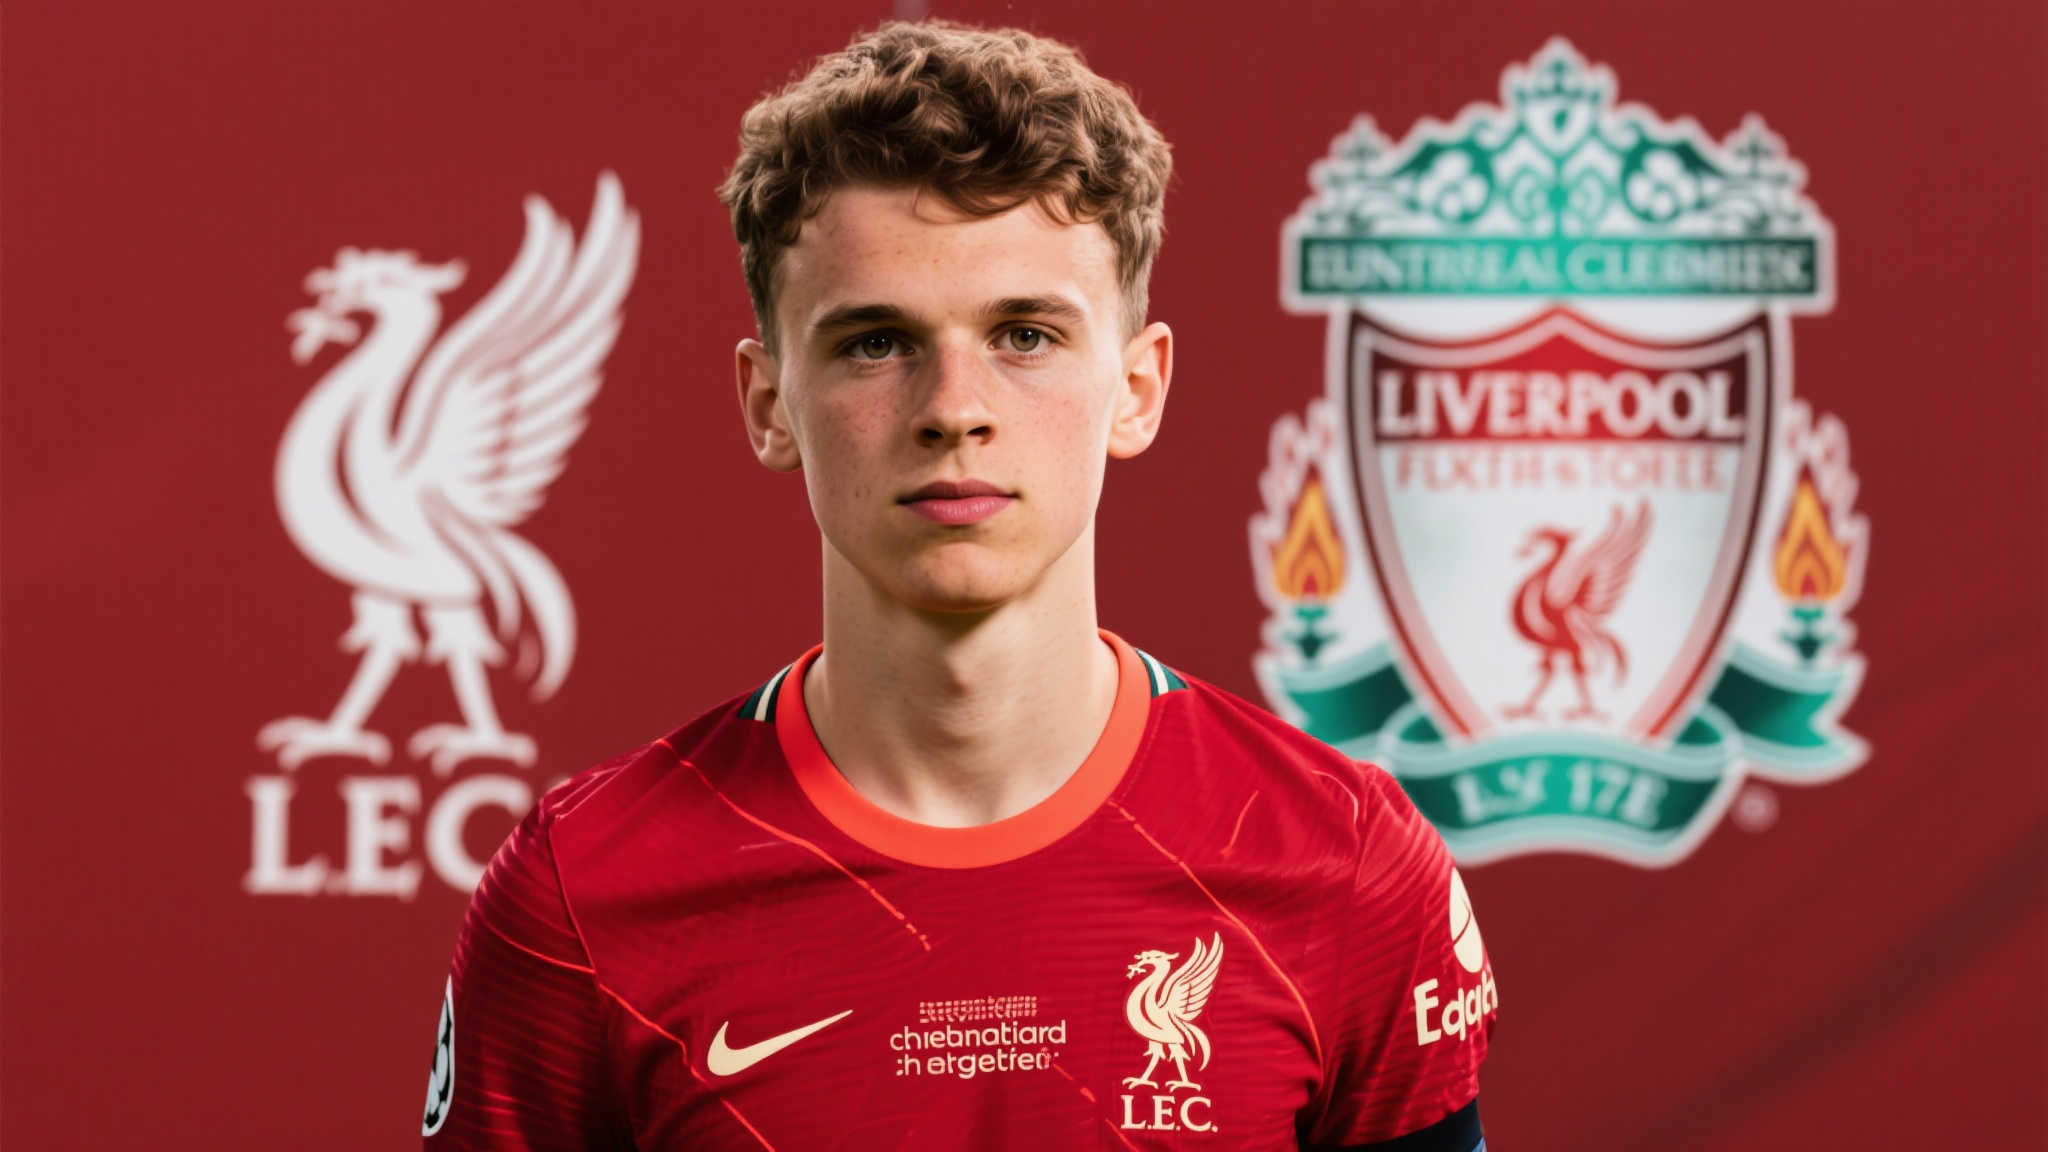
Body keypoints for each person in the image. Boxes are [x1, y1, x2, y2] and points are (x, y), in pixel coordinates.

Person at [423, 20, 1494, 1151]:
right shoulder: (582, 899)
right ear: (769, 405)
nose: (953, 409)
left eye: (1024, 335)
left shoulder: (1344, 864)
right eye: (874, 343)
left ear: (1137, 389)